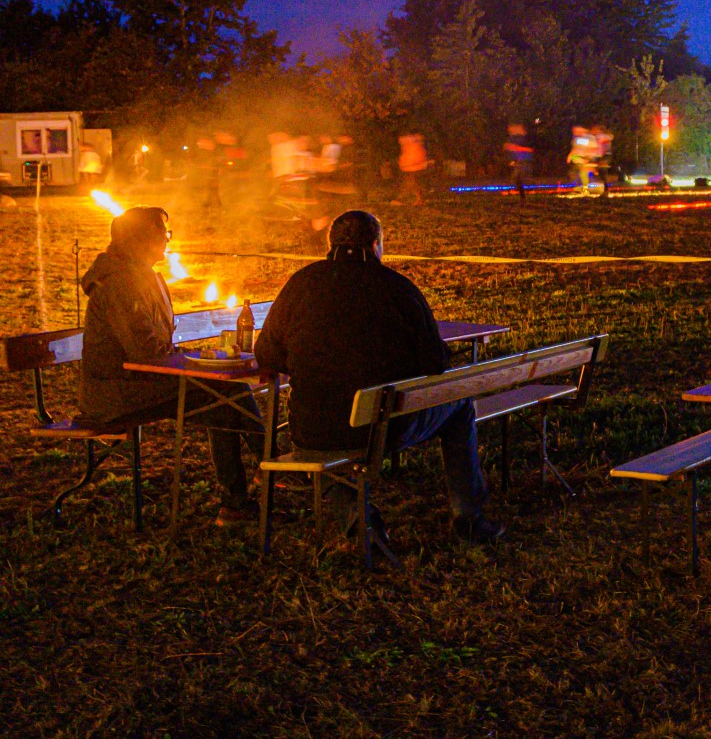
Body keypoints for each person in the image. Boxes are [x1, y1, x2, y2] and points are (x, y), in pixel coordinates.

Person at [255, 210, 504, 544]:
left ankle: (359, 520)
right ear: (375, 245)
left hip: (312, 429)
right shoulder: (397, 288)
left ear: (331, 244)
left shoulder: (300, 284)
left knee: (318, 448)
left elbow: (266, 354)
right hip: (383, 429)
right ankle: (469, 516)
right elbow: (435, 362)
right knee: (459, 406)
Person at [78, 206, 260, 525]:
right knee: (224, 392)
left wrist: (201, 359)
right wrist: (197, 362)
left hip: (138, 383)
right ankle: (273, 466)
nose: (167, 241)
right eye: (163, 234)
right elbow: (144, 352)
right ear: (139, 240)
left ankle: (242, 497)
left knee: (225, 394)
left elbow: (155, 347)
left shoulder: (139, 276)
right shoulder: (118, 283)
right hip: (114, 393)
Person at [504, 123, 535, 200]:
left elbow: (528, 150)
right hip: (520, 161)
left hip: (524, 161)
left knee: (517, 177)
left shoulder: (523, 139)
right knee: (517, 178)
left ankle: (524, 194)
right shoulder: (515, 139)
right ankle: (523, 196)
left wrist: (514, 148)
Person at [396, 133, 430, 205]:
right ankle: (418, 198)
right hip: (416, 164)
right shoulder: (419, 139)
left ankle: (408, 198)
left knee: (411, 182)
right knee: (415, 183)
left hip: (410, 165)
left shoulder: (405, 139)